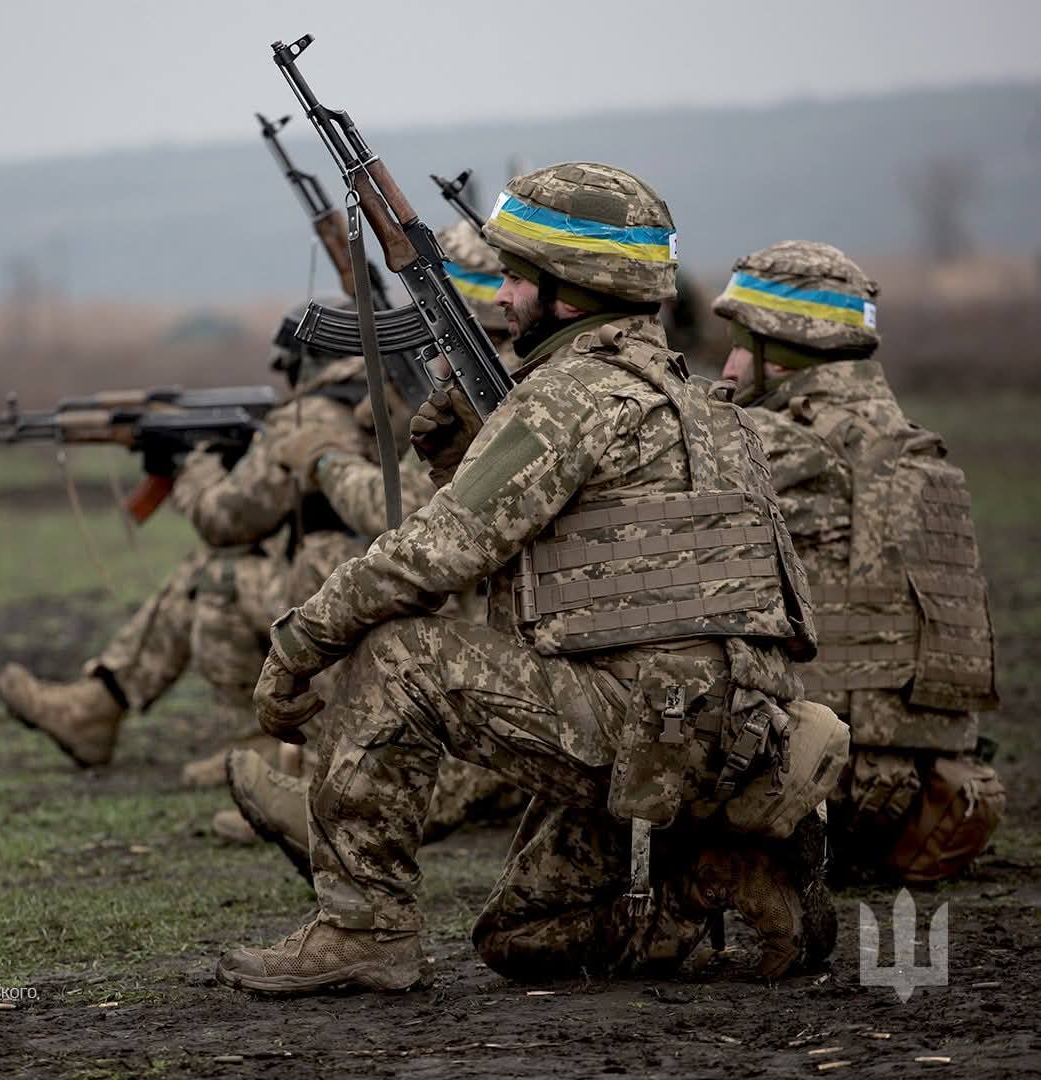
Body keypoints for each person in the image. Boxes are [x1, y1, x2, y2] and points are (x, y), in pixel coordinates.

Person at [215, 163, 848, 996]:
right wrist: (452, 433)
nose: (503, 298)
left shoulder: (570, 400)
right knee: (520, 937)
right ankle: (714, 879)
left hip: (642, 726)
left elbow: (432, 554)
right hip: (731, 736)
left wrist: (298, 644)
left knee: (399, 656)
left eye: (517, 279)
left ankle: (363, 928)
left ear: (570, 293)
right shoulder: (698, 402)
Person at [713, 241, 1005, 882]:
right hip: (938, 798)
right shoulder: (913, 451)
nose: (730, 363)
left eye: (739, 343)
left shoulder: (785, 445)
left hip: (824, 788)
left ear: (779, 349)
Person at [0, 305, 372, 786]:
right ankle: (98, 703)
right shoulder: (375, 402)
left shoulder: (312, 416)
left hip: (338, 592)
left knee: (214, 576)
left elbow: (226, 519)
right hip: (354, 584)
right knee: (218, 569)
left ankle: (252, 740)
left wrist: (194, 468)